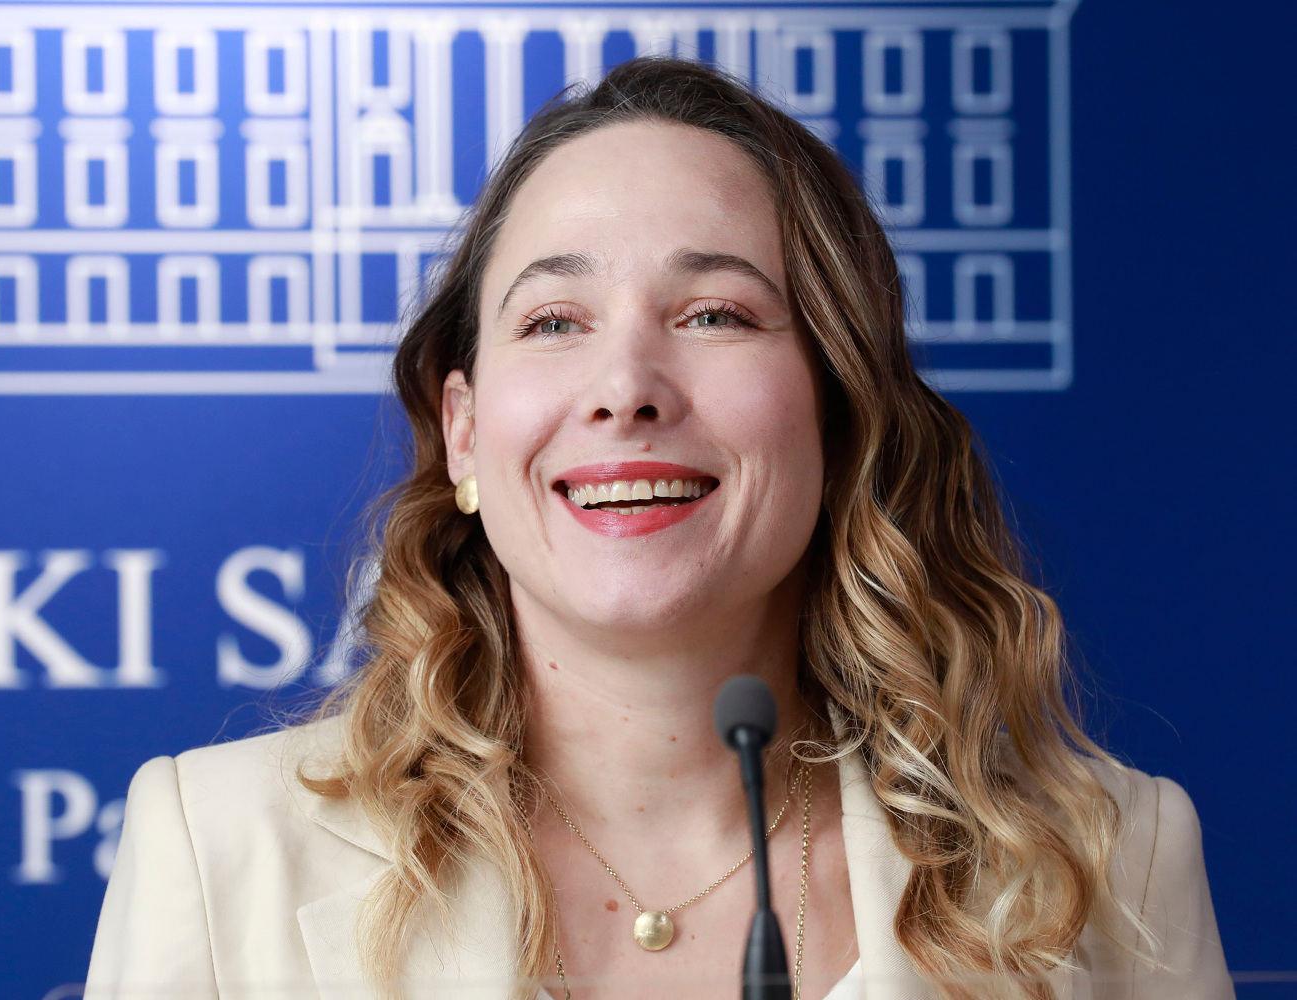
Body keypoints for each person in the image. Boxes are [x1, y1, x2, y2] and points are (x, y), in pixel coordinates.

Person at [84, 58, 1233, 1000]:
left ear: (839, 410)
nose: (625, 386)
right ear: (467, 432)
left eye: (714, 313)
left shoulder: (1114, 862)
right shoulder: (216, 847)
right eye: (554, 320)